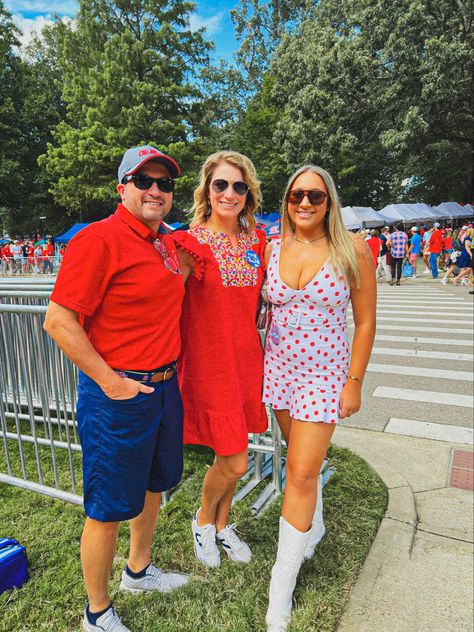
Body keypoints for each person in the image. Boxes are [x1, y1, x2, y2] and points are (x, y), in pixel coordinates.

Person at [44, 145, 189, 632]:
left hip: (164, 389)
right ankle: (97, 612)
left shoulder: (167, 243)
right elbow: (59, 321)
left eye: (164, 184)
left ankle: (138, 571)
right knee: (107, 506)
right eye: (143, 181)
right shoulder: (98, 239)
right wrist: (111, 382)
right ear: (121, 187)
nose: (155, 190)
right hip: (117, 395)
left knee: (152, 488)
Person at [262, 165, 376, 631]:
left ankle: (280, 589)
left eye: (315, 195)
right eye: (295, 196)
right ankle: (316, 527)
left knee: (302, 473)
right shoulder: (272, 248)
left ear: (330, 200)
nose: (304, 203)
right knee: (298, 464)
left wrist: (354, 381)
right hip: (279, 371)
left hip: (324, 376)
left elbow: (365, 322)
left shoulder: (353, 249)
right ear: (287, 200)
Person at [171, 151, 268, 568]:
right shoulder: (188, 243)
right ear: (207, 190)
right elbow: (166, 300)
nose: (230, 193)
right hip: (210, 364)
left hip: (247, 360)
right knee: (236, 458)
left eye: (239, 186)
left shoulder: (257, 241)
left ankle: (223, 524)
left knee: (233, 451)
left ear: (249, 194)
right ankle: (202, 520)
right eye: (221, 185)